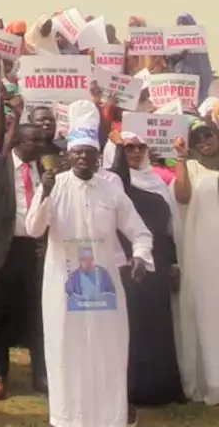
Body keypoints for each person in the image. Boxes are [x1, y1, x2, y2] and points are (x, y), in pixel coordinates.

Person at [25, 101, 153, 427]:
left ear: (99, 157)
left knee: (108, 356)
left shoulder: (111, 188)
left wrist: (140, 256)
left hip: (105, 292)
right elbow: (34, 229)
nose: (83, 157)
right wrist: (45, 194)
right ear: (68, 154)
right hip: (64, 290)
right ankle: (68, 420)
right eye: (77, 152)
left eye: (89, 152)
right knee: (67, 356)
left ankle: (110, 419)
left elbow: (139, 232)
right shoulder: (54, 185)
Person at [112, 133, 185, 407]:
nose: (134, 152)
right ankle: (129, 389)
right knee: (129, 326)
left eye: (140, 147)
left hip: (158, 264)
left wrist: (174, 263)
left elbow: (170, 230)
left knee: (156, 324)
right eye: (128, 147)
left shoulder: (157, 183)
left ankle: (159, 388)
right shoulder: (114, 183)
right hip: (127, 265)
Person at [0, 122, 48, 399]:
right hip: (0, 252)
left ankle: (40, 374)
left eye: (42, 141)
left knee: (37, 314)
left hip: (36, 251)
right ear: (18, 141)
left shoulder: (47, 168)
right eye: (35, 141)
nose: (41, 146)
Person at [171, 122, 219, 404]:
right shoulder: (191, 168)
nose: (204, 141)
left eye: (209, 134)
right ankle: (211, 378)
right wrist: (180, 157)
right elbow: (182, 196)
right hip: (204, 250)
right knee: (208, 310)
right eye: (197, 138)